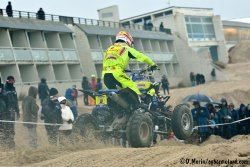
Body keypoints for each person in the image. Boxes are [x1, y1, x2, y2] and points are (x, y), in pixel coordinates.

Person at [102, 31, 157, 97]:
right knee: (133, 89)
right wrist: (153, 64)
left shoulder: (109, 49)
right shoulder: (127, 48)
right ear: (127, 39)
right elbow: (142, 57)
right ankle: (141, 104)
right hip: (117, 73)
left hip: (105, 74)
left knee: (112, 94)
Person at [1, 76, 20, 149]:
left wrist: (17, 111)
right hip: (6, 113)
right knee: (6, 129)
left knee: (12, 129)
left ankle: (11, 144)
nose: (13, 83)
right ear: (8, 81)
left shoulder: (14, 89)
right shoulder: (4, 89)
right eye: (11, 81)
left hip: (12, 112)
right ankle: (5, 145)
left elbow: (16, 101)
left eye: (13, 81)